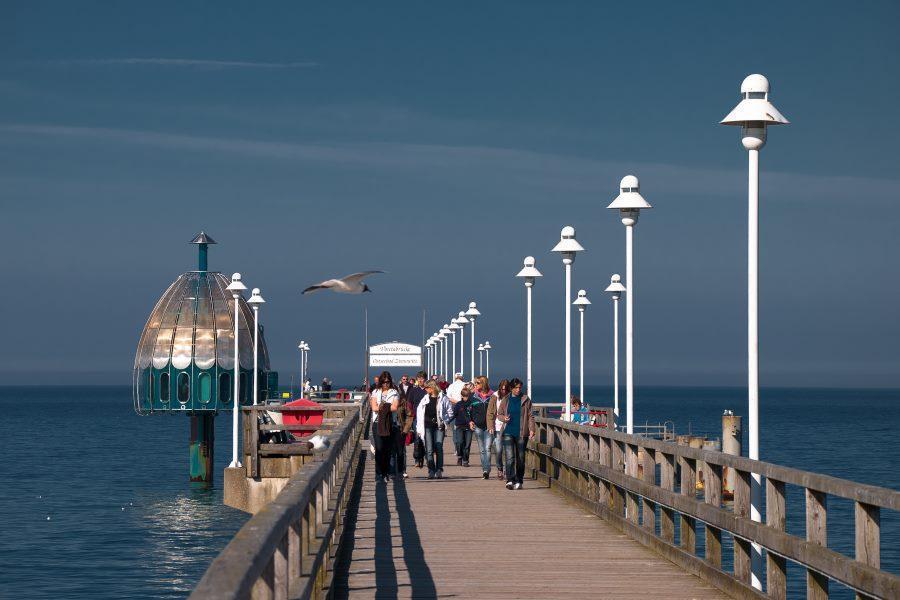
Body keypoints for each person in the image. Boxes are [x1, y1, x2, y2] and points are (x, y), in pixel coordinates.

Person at [488, 377, 535, 490]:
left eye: (519, 387)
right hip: (508, 431)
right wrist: (503, 418)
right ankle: (510, 480)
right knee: (510, 457)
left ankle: (519, 480)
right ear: (511, 388)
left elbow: (530, 416)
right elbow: (498, 414)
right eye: (516, 387)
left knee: (521, 458)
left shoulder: (525, 399)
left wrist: (532, 429)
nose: (518, 390)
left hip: (521, 433)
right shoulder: (506, 399)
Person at [415, 380, 452, 479]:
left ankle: (439, 469)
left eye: (427, 388)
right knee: (429, 449)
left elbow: (450, 411)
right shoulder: (425, 399)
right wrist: (419, 429)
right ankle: (431, 470)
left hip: (439, 426)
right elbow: (419, 413)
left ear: (432, 388)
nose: (426, 389)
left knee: (439, 447)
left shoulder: (443, 398)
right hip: (427, 426)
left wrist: (445, 421)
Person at [369, 371, 399, 483]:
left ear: (390, 382)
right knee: (379, 449)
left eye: (387, 382)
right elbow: (374, 408)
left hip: (390, 423)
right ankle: (378, 473)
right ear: (380, 382)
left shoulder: (394, 392)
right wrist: (387, 406)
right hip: (377, 423)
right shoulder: (375, 392)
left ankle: (386, 473)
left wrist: (382, 406)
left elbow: (395, 407)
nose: (385, 384)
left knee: (388, 450)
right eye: (383, 382)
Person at [469, 376, 493, 479]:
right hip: (478, 426)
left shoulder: (492, 396)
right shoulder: (473, 397)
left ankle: (487, 469)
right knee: (482, 450)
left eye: (477, 383)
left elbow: (495, 411)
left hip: (489, 426)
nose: (475, 385)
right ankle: (485, 469)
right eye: (475, 383)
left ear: (483, 383)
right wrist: (470, 421)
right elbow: (468, 410)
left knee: (487, 448)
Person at [488, 379, 509, 480]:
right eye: (502, 389)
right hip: (497, 426)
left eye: (506, 389)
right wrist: (490, 426)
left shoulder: (511, 397)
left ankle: (508, 470)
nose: (504, 391)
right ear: (500, 388)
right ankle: (500, 468)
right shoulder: (495, 396)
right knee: (499, 450)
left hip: (509, 427)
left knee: (509, 450)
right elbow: (490, 412)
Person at [407, 371, 429, 468]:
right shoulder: (413, 390)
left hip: (427, 418)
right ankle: (417, 458)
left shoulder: (429, 390)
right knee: (417, 438)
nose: (420, 380)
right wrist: (410, 414)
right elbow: (409, 403)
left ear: (425, 379)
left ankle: (428, 458)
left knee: (427, 439)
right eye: (418, 378)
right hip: (416, 418)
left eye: (422, 378)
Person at [394, 385, 414, 479]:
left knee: (401, 451)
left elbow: (409, 416)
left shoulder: (403, 403)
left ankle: (402, 470)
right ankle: (392, 471)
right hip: (388, 429)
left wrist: (406, 429)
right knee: (391, 451)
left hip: (400, 429)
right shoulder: (385, 402)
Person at [452, 386, 475, 466]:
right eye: (464, 396)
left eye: (467, 396)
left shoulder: (472, 404)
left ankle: (465, 460)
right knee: (459, 442)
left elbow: (474, 415)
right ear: (461, 396)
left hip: (469, 427)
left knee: (467, 444)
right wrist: (447, 421)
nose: (466, 398)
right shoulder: (458, 405)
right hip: (459, 426)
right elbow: (454, 415)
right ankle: (459, 456)